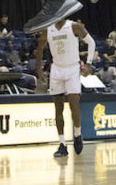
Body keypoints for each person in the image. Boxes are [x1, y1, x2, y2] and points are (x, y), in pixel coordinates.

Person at [36, 17, 95, 157]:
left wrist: (88, 64)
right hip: (56, 69)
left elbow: (91, 42)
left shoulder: (74, 26)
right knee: (58, 108)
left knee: (74, 105)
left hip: (72, 68)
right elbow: (39, 49)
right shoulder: (48, 29)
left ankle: (77, 134)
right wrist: (39, 69)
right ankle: (62, 144)